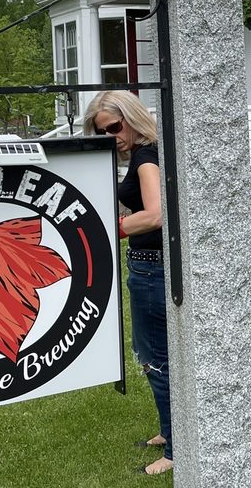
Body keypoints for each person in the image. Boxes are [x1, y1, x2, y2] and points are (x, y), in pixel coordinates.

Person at [83, 91, 172, 477]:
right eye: (104, 133)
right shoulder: (145, 153)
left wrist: (112, 227)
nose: (112, 137)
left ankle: (176, 448)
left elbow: (155, 215)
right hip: (149, 266)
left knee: (156, 358)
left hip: (151, 268)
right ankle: (171, 432)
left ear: (132, 118)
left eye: (115, 127)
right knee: (157, 354)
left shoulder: (145, 157)